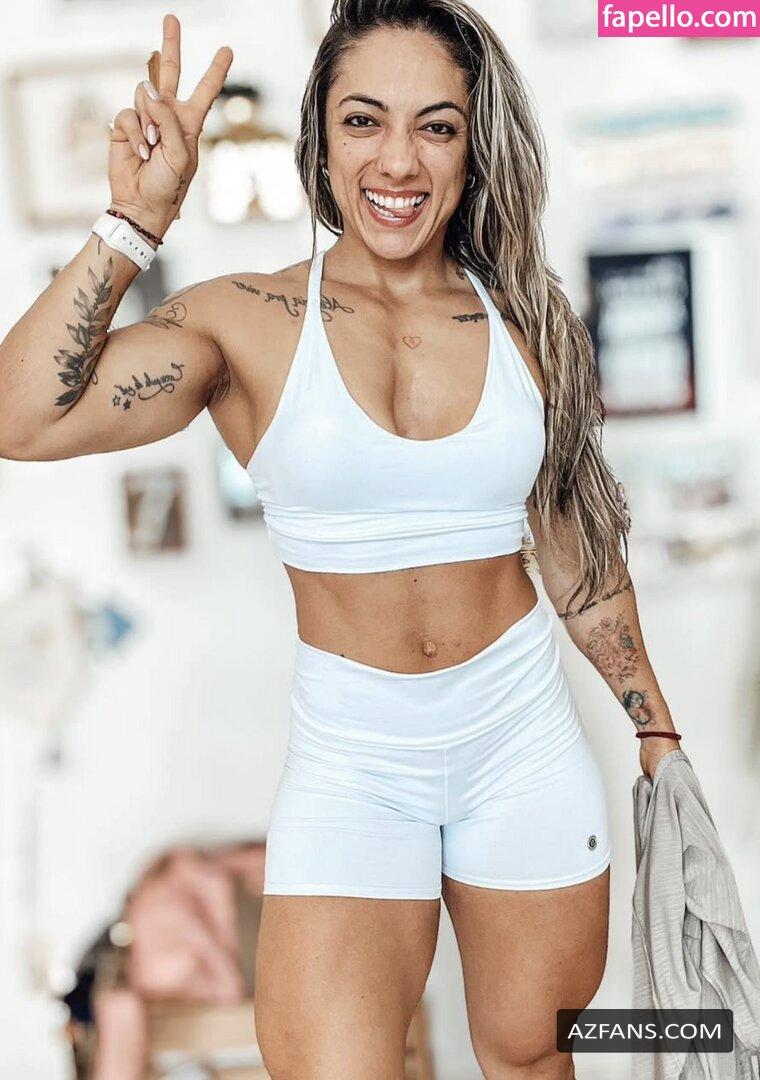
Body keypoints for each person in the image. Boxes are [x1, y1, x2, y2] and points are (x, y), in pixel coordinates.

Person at [0, 2, 684, 1076]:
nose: (398, 161)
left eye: (436, 126)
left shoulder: (530, 322)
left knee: (531, 1052)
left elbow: (579, 560)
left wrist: (657, 734)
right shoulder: (243, 321)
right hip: (355, 762)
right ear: (319, 138)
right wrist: (134, 222)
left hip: (522, 744)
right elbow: (21, 419)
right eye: (364, 120)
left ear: (473, 145)